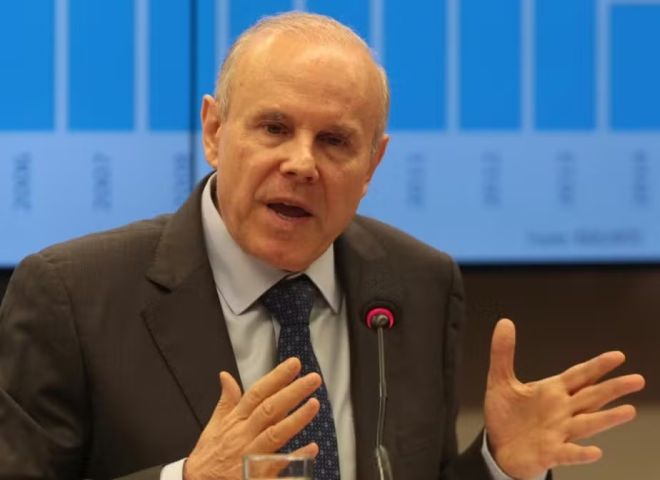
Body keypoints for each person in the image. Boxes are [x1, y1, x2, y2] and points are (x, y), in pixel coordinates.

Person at [0, 12, 645, 480]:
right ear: (214, 131)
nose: (302, 164)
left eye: (335, 141)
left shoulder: (419, 284)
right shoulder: (70, 296)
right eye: (274, 128)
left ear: (372, 165)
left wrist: (499, 464)